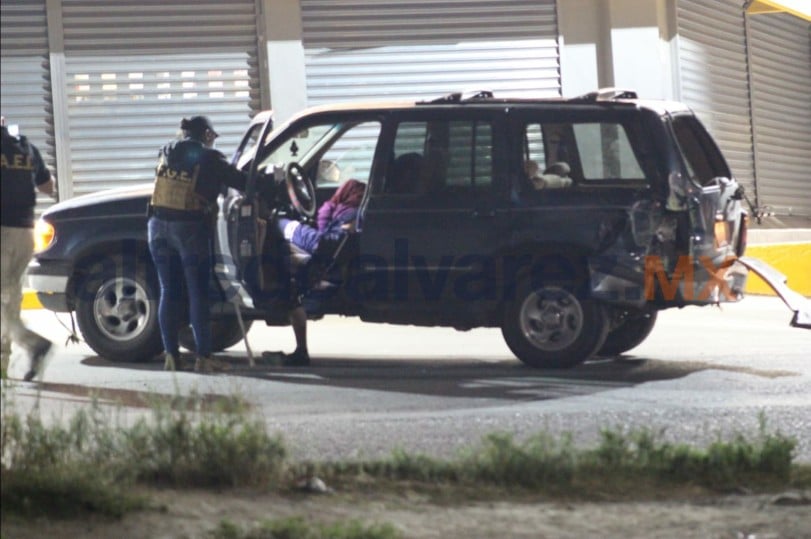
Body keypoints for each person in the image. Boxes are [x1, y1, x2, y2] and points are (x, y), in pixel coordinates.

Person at [147, 116, 247, 374]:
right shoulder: (210, 157)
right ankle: (204, 357)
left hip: (157, 227)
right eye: (212, 137)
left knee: (168, 289)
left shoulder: (164, 152)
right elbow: (242, 182)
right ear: (205, 135)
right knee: (197, 292)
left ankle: (171, 355)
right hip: (189, 228)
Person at [269, 179, 366, 367]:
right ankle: (301, 351)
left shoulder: (352, 214)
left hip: (325, 263)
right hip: (324, 260)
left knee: (280, 226)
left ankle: (301, 351)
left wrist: (288, 227)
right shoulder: (347, 212)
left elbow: (325, 243)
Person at [1, 116, 56, 381]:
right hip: (25, 232)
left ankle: (33, 344)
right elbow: (48, 187)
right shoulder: (27, 148)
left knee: (5, 299)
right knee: (10, 297)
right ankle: (3, 364)